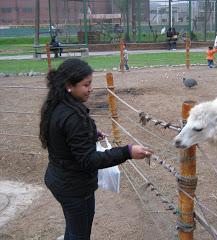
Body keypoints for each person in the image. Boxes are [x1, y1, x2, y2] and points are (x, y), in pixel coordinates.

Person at [39, 58, 152, 240]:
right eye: (86, 84)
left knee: (74, 227)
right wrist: (127, 152)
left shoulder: (57, 106)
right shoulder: (74, 116)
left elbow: (64, 138)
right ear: (69, 86)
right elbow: (89, 160)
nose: (90, 88)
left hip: (60, 179)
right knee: (80, 234)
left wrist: (90, 134)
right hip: (75, 188)